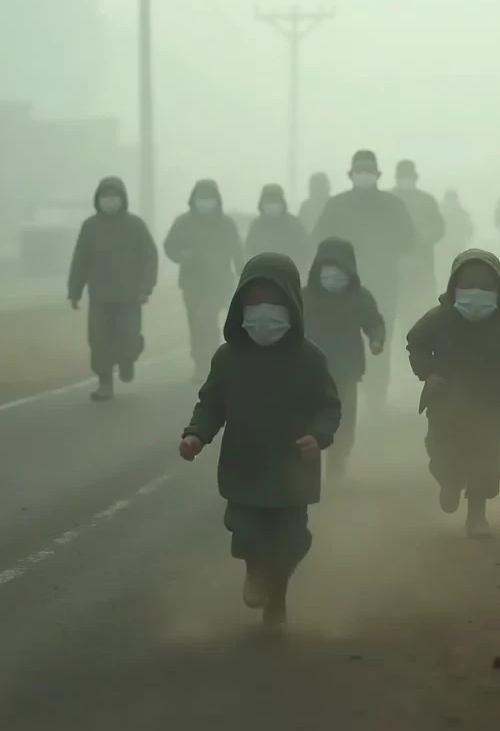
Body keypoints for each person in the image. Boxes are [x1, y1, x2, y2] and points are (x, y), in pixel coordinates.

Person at [179, 253, 341, 629]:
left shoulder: (310, 359)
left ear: (291, 305)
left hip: (294, 472)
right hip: (244, 466)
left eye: (274, 302)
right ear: (240, 306)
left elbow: (328, 407)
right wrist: (195, 435)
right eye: (254, 303)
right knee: (247, 529)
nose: (263, 312)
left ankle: (277, 602)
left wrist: (318, 436)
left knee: (291, 540)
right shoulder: (228, 358)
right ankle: (255, 571)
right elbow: (211, 403)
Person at [406, 249, 500, 538]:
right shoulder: (437, 319)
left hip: (490, 401)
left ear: (498, 289)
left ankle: (477, 516)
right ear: (454, 287)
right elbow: (416, 343)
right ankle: (448, 482)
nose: (476, 293)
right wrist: (428, 373)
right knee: (441, 450)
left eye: (485, 287)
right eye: (468, 286)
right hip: (444, 400)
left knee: (485, 456)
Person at [312, 150, 415, 411]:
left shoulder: (392, 205)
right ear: (350, 174)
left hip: (383, 283)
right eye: (360, 171)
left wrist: (391, 251)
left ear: (378, 174)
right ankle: (338, 395)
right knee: (336, 339)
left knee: (379, 338)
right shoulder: (336, 205)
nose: (364, 175)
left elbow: (409, 240)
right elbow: (317, 241)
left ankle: (376, 399)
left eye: (369, 170)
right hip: (338, 285)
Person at [67, 176, 158, 403]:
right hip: (99, 296)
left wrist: (145, 288)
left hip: (130, 296)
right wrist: (74, 290)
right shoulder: (90, 226)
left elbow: (150, 257)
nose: (109, 200)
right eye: (105, 196)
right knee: (98, 341)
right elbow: (80, 260)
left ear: (122, 198)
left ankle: (128, 359)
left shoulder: (136, 225)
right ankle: (104, 383)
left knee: (128, 340)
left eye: (114, 195)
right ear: (98, 199)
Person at [302, 237, 385, 480]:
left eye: (339, 275)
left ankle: (338, 461)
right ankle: (309, 463)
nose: (333, 281)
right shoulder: (303, 297)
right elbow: (288, 327)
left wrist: (376, 340)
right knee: (308, 418)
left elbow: (375, 322)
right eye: (327, 275)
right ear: (317, 272)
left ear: (350, 272)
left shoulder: (360, 297)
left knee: (344, 420)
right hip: (309, 370)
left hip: (348, 369)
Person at [163, 179, 244, 381]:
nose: (205, 202)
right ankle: (204, 361)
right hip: (191, 282)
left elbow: (237, 252)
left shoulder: (226, 224)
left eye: (209, 198)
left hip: (219, 282)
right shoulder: (183, 222)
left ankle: (206, 364)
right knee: (196, 323)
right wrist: (182, 255)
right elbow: (169, 246)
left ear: (217, 200)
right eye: (201, 198)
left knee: (205, 319)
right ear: (194, 200)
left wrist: (245, 276)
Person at [392, 159, 446, 331]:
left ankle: (423, 342)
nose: (406, 179)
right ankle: (402, 347)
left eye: (408, 176)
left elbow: (439, 227)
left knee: (423, 308)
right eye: (403, 176)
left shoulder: (426, 200)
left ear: (415, 177)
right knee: (399, 309)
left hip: (422, 264)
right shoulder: (388, 200)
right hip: (395, 266)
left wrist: (427, 238)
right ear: (397, 178)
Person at [246, 184, 309, 277]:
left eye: (275, 201)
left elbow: (305, 250)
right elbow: (249, 251)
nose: (272, 206)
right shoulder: (257, 226)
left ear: (282, 203)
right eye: (268, 202)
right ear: (262, 204)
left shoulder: (294, 224)